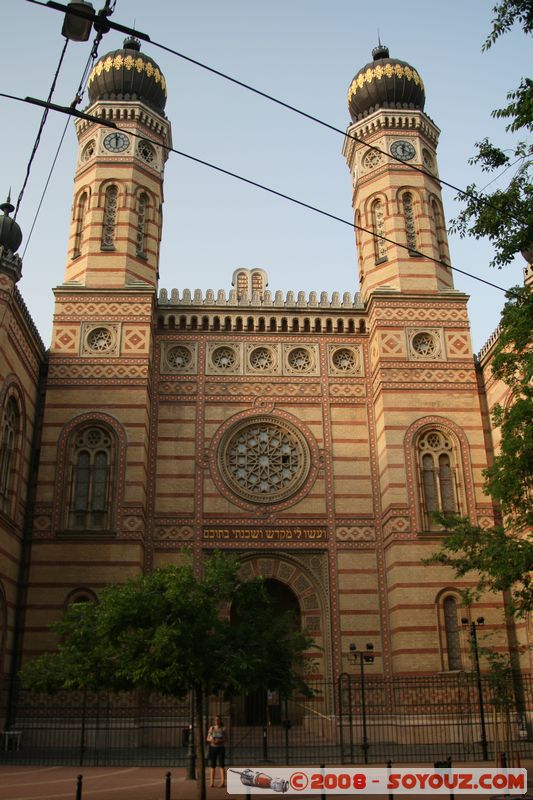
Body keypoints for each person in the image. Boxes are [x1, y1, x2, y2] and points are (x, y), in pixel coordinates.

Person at [206, 715, 226, 788]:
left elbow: (225, 739)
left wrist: (219, 741)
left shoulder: (223, 729)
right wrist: (212, 740)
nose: (216, 721)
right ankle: (211, 783)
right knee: (212, 765)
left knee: (221, 765)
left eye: (218, 719)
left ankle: (223, 782)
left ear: (220, 720)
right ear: (214, 721)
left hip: (221, 748)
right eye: (215, 720)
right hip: (213, 748)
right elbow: (207, 738)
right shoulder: (212, 728)